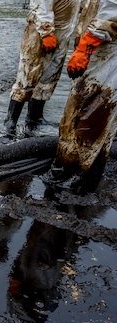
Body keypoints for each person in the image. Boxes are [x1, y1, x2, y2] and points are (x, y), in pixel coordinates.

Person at [46, 0, 117, 193]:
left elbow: (111, 13)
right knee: (78, 112)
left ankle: (86, 179)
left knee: (95, 117)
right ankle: (69, 169)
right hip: (100, 51)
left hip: (108, 54)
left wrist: (86, 46)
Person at [4, 0, 81, 138]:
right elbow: (41, 5)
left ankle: (34, 119)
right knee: (28, 76)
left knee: (49, 78)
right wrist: (46, 31)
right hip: (41, 33)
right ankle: (11, 121)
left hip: (64, 32)